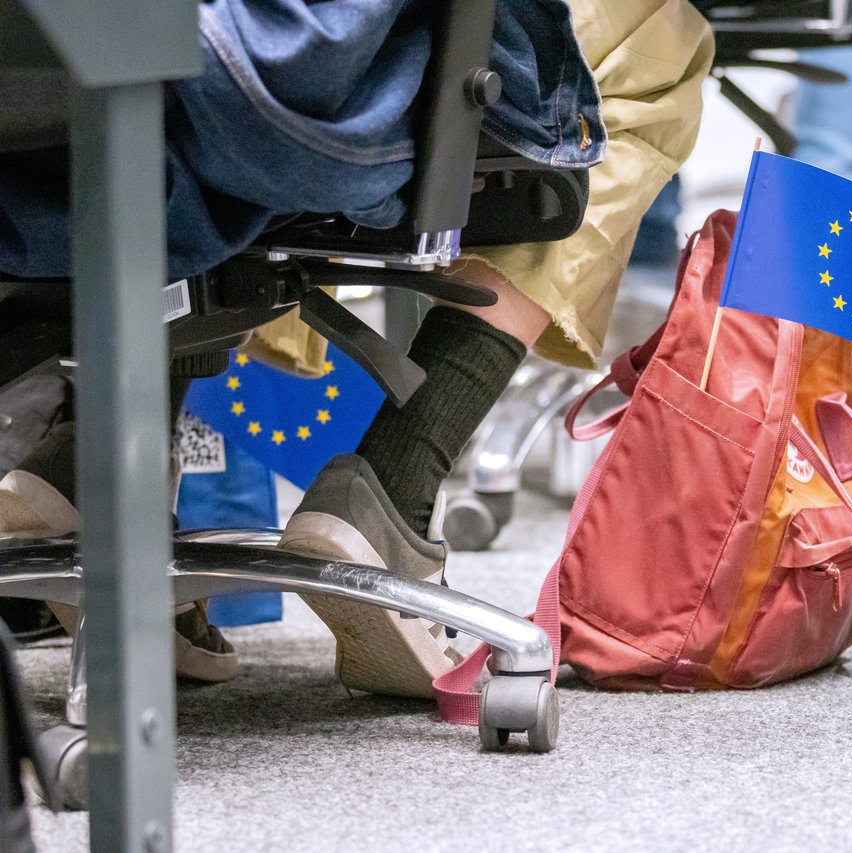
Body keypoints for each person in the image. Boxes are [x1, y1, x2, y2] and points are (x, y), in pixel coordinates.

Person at [0, 0, 714, 693]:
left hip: (36, 126)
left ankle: (99, 468)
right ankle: (393, 485)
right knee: (662, 42)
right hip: (272, 112)